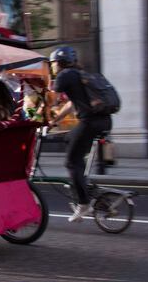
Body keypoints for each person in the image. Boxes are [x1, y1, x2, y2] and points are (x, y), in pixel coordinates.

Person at [48, 46, 113, 222]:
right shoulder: (80, 73)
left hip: (89, 123)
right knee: (71, 140)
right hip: (104, 121)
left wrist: (42, 115)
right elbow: (71, 104)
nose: (52, 67)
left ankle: (83, 204)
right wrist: (56, 120)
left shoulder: (64, 75)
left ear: (59, 62)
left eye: (52, 63)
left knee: (71, 162)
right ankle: (83, 184)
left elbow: (50, 99)